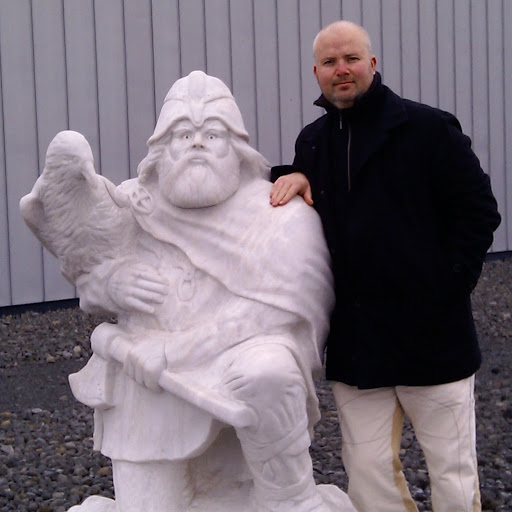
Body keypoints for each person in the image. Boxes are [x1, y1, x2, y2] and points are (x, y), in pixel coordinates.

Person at [70, 71, 355, 511]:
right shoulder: (133, 205)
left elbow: (283, 311)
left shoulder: (278, 213)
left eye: (213, 135)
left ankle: (289, 498)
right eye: (183, 135)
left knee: (268, 370)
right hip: (144, 379)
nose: (197, 145)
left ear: (237, 150)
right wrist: (111, 283)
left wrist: (177, 350)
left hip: (234, 357)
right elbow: (86, 277)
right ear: (161, 150)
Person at [270, 20, 501, 512]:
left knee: (454, 476)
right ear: (316, 72)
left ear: (372, 63)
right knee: (368, 475)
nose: (341, 69)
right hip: (358, 346)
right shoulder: (313, 142)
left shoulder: (428, 129)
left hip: (434, 339)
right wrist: (293, 174)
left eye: (351, 58)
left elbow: (479, 211)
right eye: (330, 62)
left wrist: (448, 287)